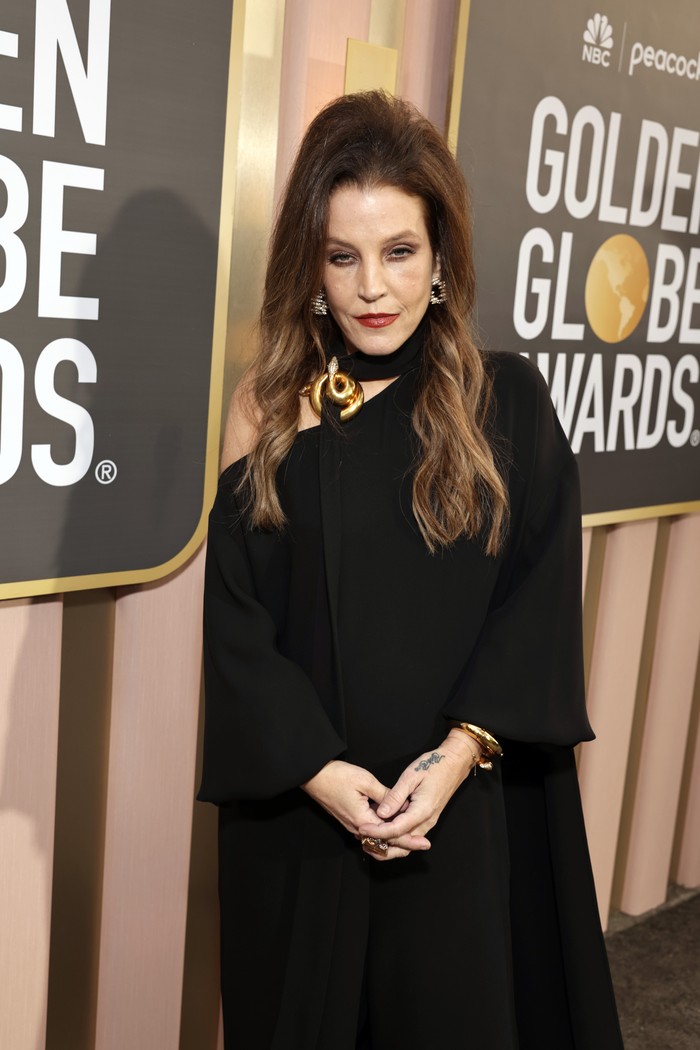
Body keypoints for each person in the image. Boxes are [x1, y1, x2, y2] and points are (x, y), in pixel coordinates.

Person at [198, 91, 623, 1050]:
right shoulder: (265, 410)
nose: (371, 287)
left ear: (440, 263)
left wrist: (455, 757)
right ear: (311, 265)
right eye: (343, 256)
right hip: (301, 819)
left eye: (400, 252)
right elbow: (237, 624)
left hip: (457, 819)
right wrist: (317, 771)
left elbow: (537, 601)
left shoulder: (503, 401)